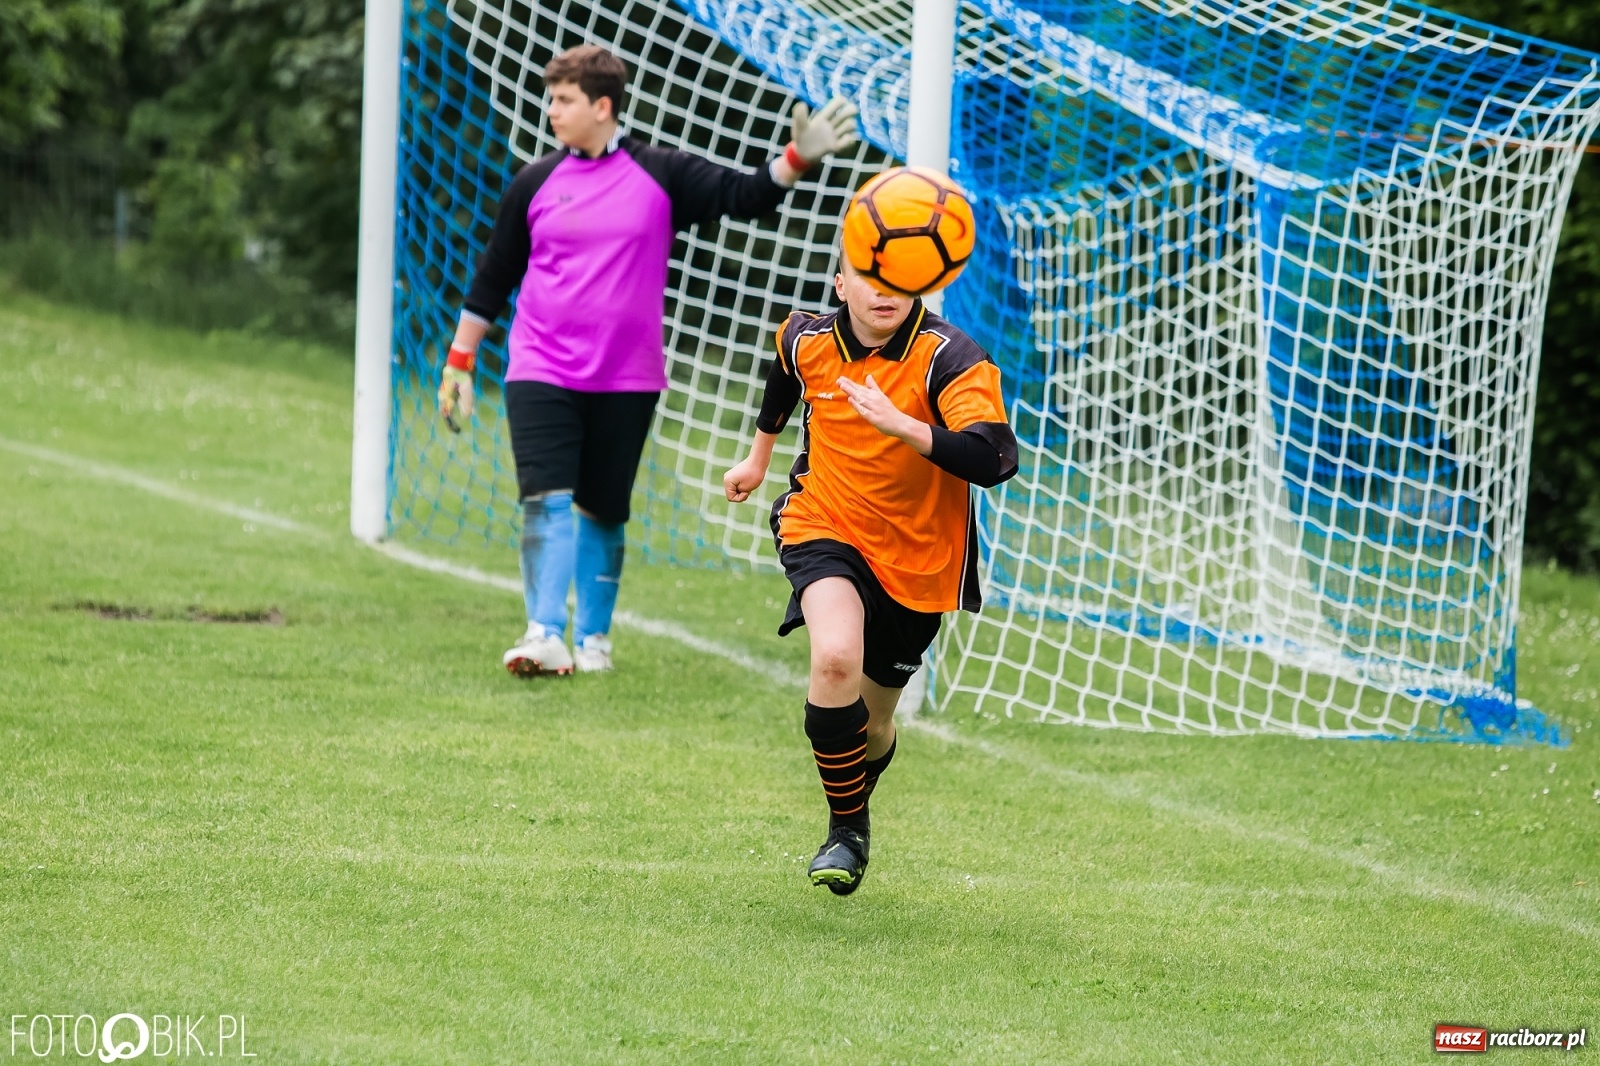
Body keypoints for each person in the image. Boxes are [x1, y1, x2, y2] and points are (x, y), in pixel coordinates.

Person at [438, 44, 859, 676]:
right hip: (539, 367)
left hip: (626, 378)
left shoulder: (660, 174)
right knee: (545, 497)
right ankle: (543, 632)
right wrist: (459, 360)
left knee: (603, 508)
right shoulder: (534, 181)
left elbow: (742, 195)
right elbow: (496, 274)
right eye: (551, 98)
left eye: (563, 99)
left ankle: (594, 641)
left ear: (602, 106)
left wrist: (797, 158)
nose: (551, 110)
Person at [722, 252, 1019, 894]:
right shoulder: (806, 337)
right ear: (840, 283)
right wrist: (757, 458)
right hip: (823, 523)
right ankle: (846, 830)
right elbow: (784, 372)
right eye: (869, 279)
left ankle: (854, 796)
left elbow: (997, 458)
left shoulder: (950, 355)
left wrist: (903, 426)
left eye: (900, 283)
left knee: (876, 723)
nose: (884, 294)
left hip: (918, 561)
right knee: (834, 659)